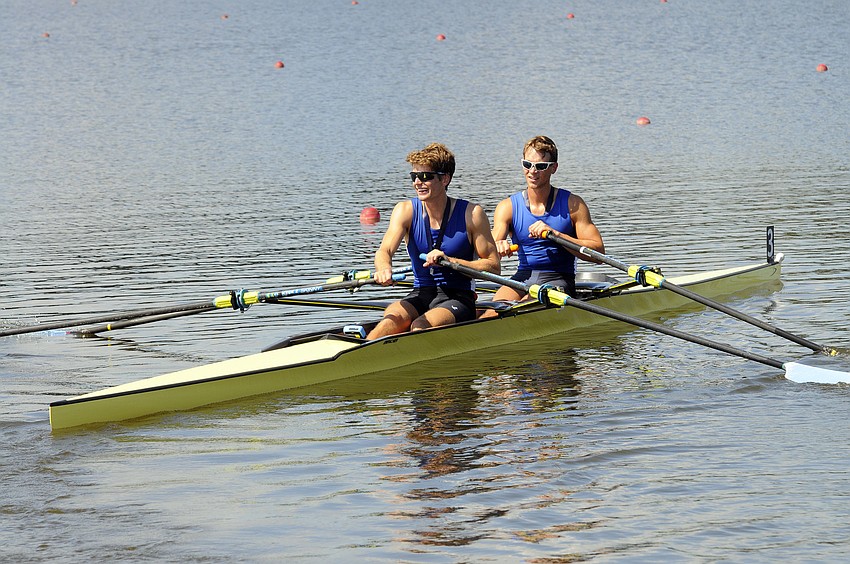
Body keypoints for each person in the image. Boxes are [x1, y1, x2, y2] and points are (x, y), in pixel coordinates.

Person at [367, 143, 500, 340]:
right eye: (414, 177)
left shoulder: (472, 214)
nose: (418, 183)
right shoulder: (405, 211)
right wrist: (383, 268)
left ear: (444, 178)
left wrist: (452, 261)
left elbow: (493, 266)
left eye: (426, 177)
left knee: (420, 325)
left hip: (458, 296)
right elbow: (384, 251)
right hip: (421, 292)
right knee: (390, 320)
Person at [488, 135, 605, 304]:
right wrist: (497, 246)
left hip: (558, 279)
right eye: (527, 165)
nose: (533, 171)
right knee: (487, 313)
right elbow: (487, 253)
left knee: (523, 307)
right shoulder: (507, 207)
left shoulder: (573, 205)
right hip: (522, 277)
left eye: (541, 166)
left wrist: (556, 234)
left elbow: (599, 253)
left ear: (554, 168)